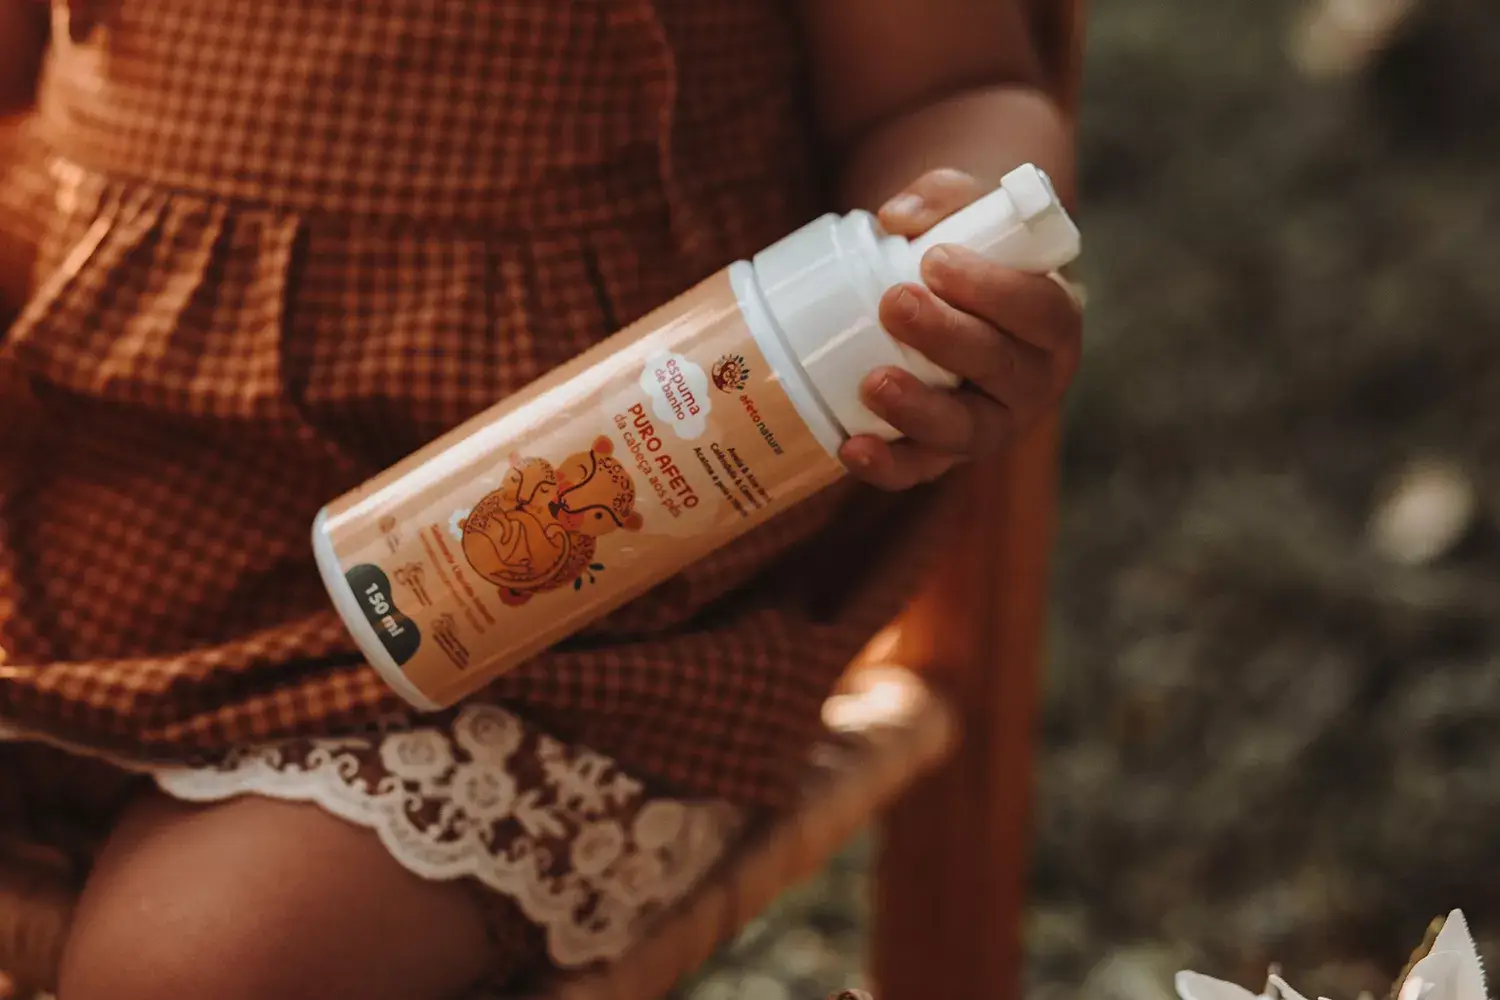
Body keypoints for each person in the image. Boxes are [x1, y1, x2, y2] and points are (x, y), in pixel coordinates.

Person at [0, 1, 1082, 997]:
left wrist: (946, 283)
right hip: (83, 505)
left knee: (202, 967)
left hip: (563, 604)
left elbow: (950, 88)